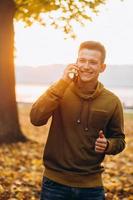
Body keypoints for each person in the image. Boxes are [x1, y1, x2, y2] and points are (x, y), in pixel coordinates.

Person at [30, 41, 125, 200]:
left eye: (93, 62)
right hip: (54, 184)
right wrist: (62, 82)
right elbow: (36, 118)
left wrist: (108, 144)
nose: (86, 66)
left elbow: (120, 140)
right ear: (75, 62)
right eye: (82, 60)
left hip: (91, 187)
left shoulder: (112, 101)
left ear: (102, 67)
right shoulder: (59, 90)